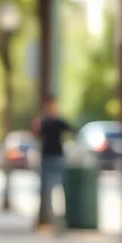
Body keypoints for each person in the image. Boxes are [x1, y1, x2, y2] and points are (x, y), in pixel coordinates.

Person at [33, 96, 73, 225]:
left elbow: (70, 128)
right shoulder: (44, 122)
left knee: (60, 188)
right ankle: (49, 219)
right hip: (47, 157)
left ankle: (61, 218)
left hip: (57, 157)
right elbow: (37, 132)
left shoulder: (57, 121)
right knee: (47, 189)